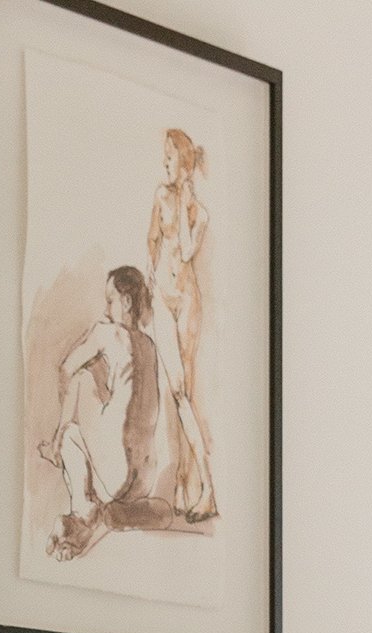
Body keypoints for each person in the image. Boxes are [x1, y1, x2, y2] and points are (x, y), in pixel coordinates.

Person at [39, 264, 168, 561]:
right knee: (97, 378)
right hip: (143, 479)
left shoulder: (105, 333)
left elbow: (65, 369)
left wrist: (67, 422)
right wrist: (103, 388)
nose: (106, 307)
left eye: (110, 300)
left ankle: (83, 507)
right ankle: (115, 509)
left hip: (115, 475)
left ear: (125, 303)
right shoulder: (149, 346)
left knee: (81, 381)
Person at [146, 128, 216, 521]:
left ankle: (197, 486)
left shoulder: (201, 213)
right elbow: (152, 237)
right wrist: (152, 274)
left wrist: (188, 203)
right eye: (165, 157)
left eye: (171, 158)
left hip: (188, 301)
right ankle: (191, 484)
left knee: (183, 391)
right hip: (163, 297)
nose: (165, 163)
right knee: (176, 391)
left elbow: (187, 250)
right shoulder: (159, 195)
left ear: (185, 165)